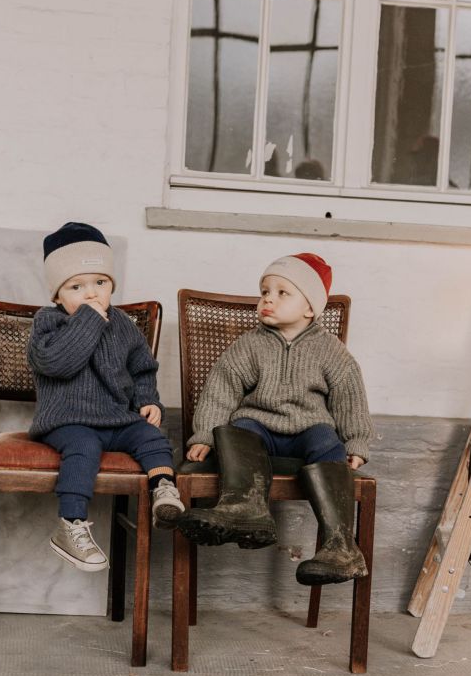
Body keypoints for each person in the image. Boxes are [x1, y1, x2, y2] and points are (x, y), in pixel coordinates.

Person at [178, 252, 373, 585]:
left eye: (283, 293)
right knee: (238, 429)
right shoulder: (249, 345)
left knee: (327, 440)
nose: (268, 299)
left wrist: (357, 441)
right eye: (265, 291)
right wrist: (205, 436)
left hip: (308, 429)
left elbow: (349, 396)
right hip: (260, 431)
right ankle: (246, 508)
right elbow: (221, 390)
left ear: (309, 308)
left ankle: (340, 545)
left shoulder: (330, 350)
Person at [27, 221, 184, 572]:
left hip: (116, 418)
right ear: (57, 296)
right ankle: (70, 524)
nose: (91, 294)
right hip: (67, 421)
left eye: (100, 282)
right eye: (76, 286)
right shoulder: (48, 322)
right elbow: (59, 363)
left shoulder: (123, 323)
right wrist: (88, 320)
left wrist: (148, 400)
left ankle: (163, 489)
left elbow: (142, 368)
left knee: (152, 437)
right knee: (84, 448)